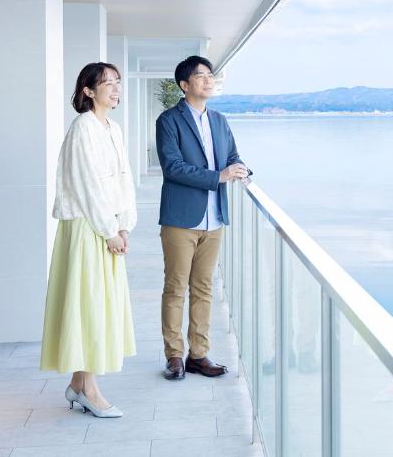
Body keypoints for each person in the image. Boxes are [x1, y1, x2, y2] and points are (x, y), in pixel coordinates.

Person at [40, 62, 137, 418]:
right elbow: (87, 185)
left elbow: (123, 179)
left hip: (107, 227)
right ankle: (90, 390)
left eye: (117, 82)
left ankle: (79, 385)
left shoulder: (113, 128)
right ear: (88, 91)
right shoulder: (83, 127)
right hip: (87, 227)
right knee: (88, 305)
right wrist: (109, 230)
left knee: (96, 304)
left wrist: (124, 225)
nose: (115, 88)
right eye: (107, 83)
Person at [156, 55, 249, 381]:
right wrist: (218, 177)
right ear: (185, 85)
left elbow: (232, 156)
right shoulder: (169, 120)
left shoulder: (220, 121)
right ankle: (174, 356)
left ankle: (198, 355)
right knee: (176, 288)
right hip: (181, 219)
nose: (209, 80)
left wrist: (241, 170)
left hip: (214, 219)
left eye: (211, 75)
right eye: (201, 76)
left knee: (203, 288)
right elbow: (173, 167)